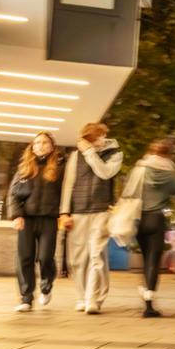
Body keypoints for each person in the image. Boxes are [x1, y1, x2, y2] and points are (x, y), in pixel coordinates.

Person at [125, 138, 175, 317]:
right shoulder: (169, 173)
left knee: (145, 259)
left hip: (137, 218)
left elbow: (128, 192)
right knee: (153, 260)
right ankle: (149, 304)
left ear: (151, 152)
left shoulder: (139, 170)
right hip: (156, 220)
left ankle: (145, 293)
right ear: (168, 154)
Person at [59, 122, 123, 314]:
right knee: (77, 259)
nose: (100, 140)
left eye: (101, 136)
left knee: (97, 255)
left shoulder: (115, 153)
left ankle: (94, 298)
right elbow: (68, 184)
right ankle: (81, 296)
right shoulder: (75, 156)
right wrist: (64, 212)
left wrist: (89, 154)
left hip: (101, 211)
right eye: (95, 138)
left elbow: (105, 173)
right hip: (78, 212)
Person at [8, 132, 63, 312]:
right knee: (25, 258)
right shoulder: (24, 168)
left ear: (52, 146)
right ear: (32, 147)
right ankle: (26, 298)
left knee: (45, 257)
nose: (40, 145)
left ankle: (46, 285)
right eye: (37, 143)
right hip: (27, 219)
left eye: (45, 142)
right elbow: (13, 194)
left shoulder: (60, 167)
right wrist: (17, 215)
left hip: (49, 219)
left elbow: (66, 193)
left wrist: (66, 214)